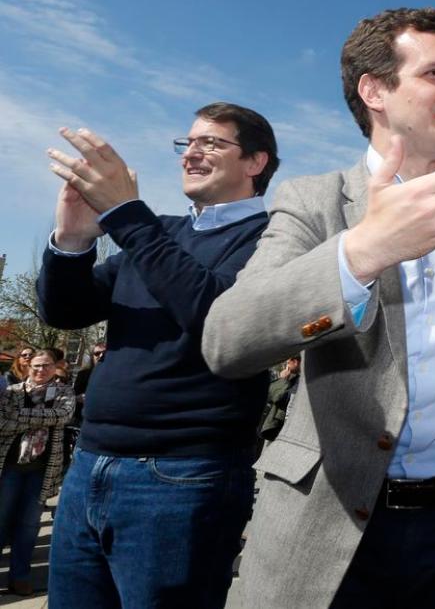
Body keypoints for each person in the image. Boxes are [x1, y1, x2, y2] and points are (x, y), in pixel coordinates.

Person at [202, 7, 435, 609]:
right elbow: (228, 339)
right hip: (327, 524)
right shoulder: (315, 202)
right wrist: (362, 253)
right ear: (375, 90)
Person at [37, 102, 279, 609]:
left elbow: (214, 313)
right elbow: (66, 310)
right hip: (88, 468)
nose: (191, 153)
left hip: (181, 479)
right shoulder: (160, 232)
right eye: (186, 143)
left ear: (256, 162)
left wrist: (127, 215)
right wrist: (74, 241)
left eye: (211, 143)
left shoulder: (273, 239)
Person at [0, 350, 75, 596]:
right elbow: (3, 423)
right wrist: (45, 419)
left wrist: (22, 416)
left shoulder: (64, 391)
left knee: (29, 526)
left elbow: (64, 415)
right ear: (27, 367)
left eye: (45, 366)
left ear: (55, 367)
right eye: (35, 366)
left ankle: (19, 577)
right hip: (9, 467)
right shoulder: (12, 392)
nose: (40, 370)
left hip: (42, 470)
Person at [258, 356, 301, 444]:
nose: (286, 366)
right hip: (275, 427)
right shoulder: (292, 380)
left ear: (295, 362)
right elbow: (269, 394)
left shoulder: (297, 381)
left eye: (288, 363)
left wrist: (283, 380)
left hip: (282, 428)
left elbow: (278, 397)